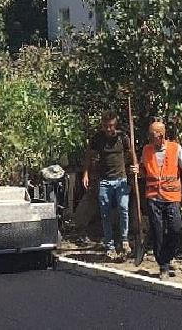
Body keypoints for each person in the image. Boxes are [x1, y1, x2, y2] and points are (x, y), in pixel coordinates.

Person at [131, 121, 182, 279]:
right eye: (149, 135)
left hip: (172, 197)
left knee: (176, 228)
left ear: (161, 135)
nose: (150, 139)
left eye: (153, 136)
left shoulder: (175, 148)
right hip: (153, 197)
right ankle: (163, 265)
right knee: (158, 232)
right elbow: (145, 172)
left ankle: (167, 256)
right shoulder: (146, 150)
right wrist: (138, 170)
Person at [82, 111, 132, 259]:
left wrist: (134, 166)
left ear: (115, 125)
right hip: (104, 181)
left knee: (124, 209)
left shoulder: (123, 138)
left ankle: (124, 240)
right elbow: (89, 156)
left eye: (110, 126)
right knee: (105, 214)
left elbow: (131, 154)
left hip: (121, 179)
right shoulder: (97, 138)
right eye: (105, 126)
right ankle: (109, 245)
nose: (108, 129)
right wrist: (85, 173)